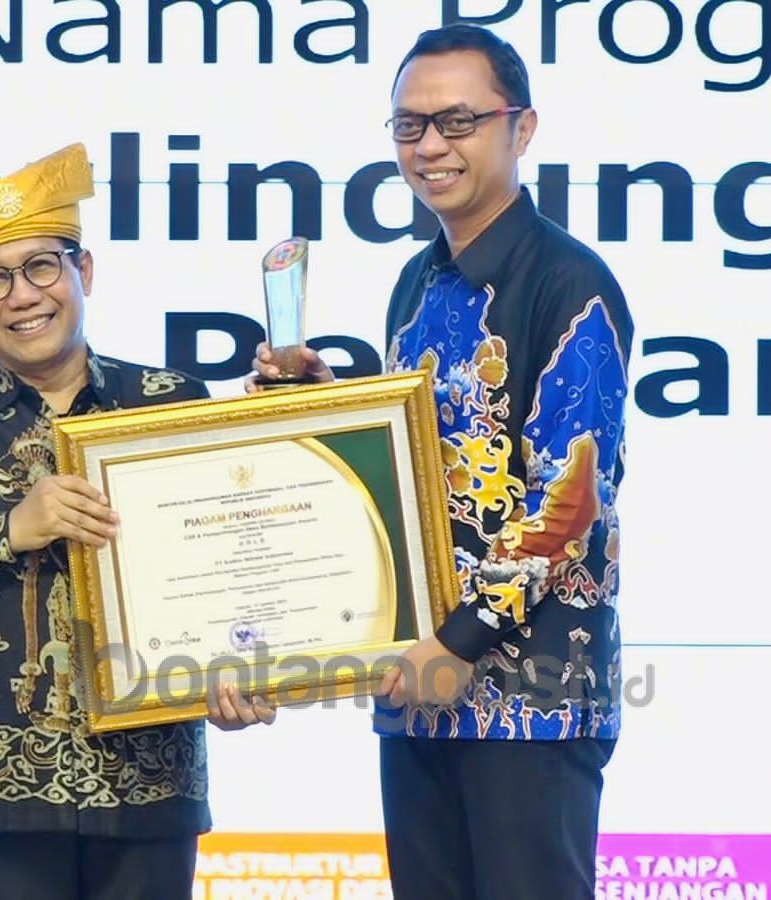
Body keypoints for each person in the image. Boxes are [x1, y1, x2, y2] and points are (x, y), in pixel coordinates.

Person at [251, 23, 634, 899]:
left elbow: (570, 501)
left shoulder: (569, 283)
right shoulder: (418, 282)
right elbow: (429, 464)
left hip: (531, 699)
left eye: (458, 121)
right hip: (417, 691)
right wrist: (324, 405)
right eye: (409, 125)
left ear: (521, 128)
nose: (430, 146)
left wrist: (458, 643)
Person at [0, 142, 274, 900]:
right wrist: (9, 533)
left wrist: (241, 670)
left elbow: (230, 573)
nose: (22, 296)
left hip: (152, 784)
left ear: (84, 272)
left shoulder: (166, 402)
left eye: (42, 267)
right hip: (3, 796)